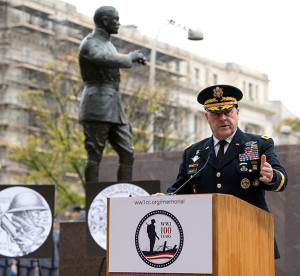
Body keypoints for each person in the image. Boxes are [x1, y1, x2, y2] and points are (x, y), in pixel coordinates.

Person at [155, 84, 288, 259]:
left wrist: (271, 177)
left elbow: (282, 179)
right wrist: (166, 200)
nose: (223, 118)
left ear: (237, 114)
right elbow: (181, 189)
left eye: (228, 112)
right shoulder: (193, 152)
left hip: (251, 236)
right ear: (207, 117)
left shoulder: (259, 145)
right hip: (206, 240)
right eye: (216, 114)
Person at [78, 6, 146, 183]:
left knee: (127, 152)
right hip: (96, 104)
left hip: (114, 106)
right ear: (105, 21)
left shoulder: (108, 43)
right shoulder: (90, 42)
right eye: (115, 20)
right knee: (95, 154)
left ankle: (124, 197)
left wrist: (132, 58)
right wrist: (129, 57)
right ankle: (91, 200)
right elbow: (102, 59)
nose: (119, 23)